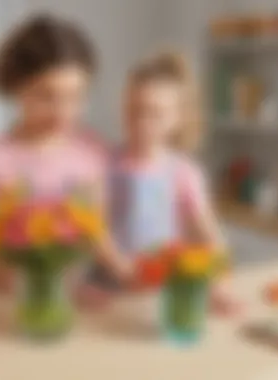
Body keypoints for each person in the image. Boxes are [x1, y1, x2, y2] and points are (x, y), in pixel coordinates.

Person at [0, 15, 130, 302]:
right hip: (18, 310)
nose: (63, 112)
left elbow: (99, 240)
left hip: (85, 310)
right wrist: (38, 289)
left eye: (76, 96)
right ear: (16, 87)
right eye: (46, 96)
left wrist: (125, 278)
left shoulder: (93, 152)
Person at [83, 52, 240, 314]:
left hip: (160, 289)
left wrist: (220, 285)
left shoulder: (184, 172)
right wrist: (121, 268)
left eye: (155, 113)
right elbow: (93, 227)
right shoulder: (102, 163)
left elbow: (210, 236)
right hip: (105, 289)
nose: (142, 122)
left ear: (178, 117)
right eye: (134, 111)